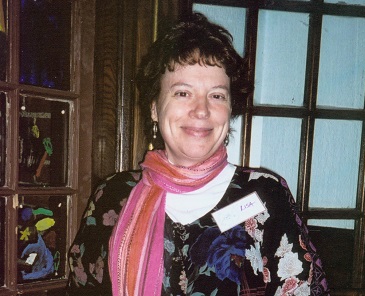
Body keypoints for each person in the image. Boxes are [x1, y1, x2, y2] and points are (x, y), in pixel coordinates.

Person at [66, 13, 329, 296]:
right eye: (182, 93)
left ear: (230, 109)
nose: (201, 110)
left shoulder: (264, 194)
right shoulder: (112, 195)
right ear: (154, 107)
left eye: (217, 95)